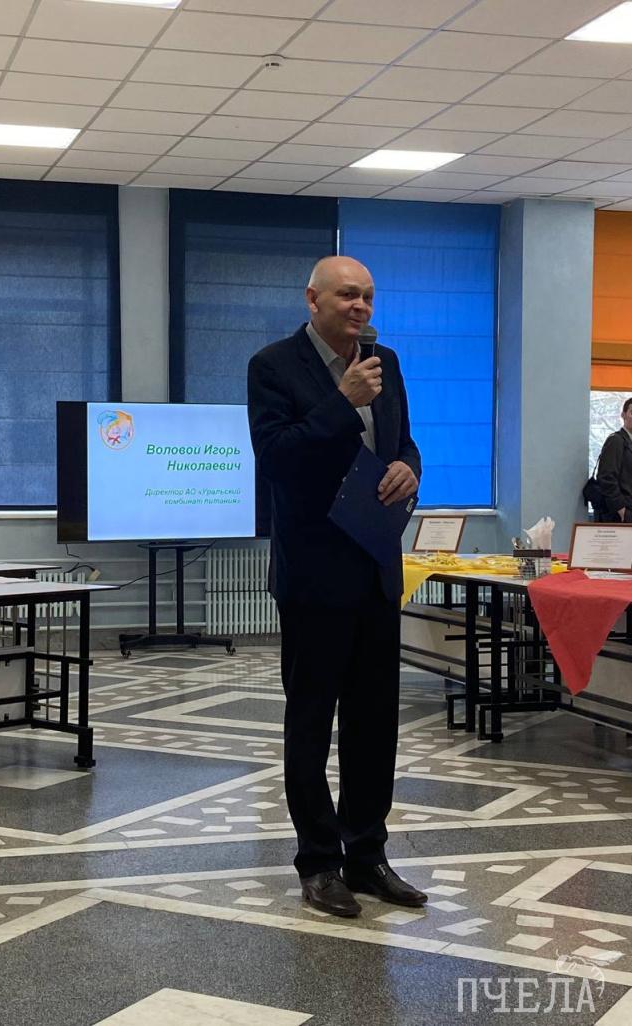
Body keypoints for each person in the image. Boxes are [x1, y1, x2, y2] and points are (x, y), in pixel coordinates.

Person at [247, 255, 427, 919]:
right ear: (313, 299)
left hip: (376, 567)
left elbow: (405, 442)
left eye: (368, 296)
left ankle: (367, 854)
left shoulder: (387, 362)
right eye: (348, 295)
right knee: (311, 721)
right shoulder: (273, 366)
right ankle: (319, 862)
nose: (361, 307)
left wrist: (409, 468)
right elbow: (276, 458)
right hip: (314, 575)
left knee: (374, 723)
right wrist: (341, 401)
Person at [597, 397, 632, 523]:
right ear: (623, 415)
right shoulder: (616, 440)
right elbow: (606, 477)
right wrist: (621, 510)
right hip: (621, 515)